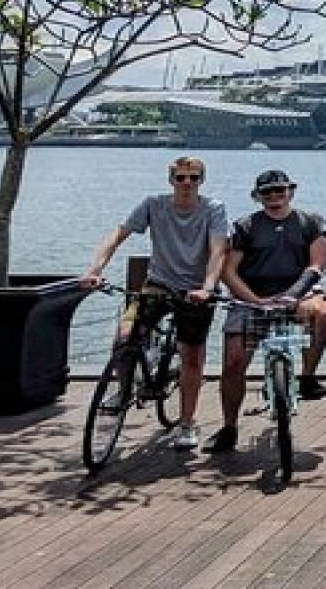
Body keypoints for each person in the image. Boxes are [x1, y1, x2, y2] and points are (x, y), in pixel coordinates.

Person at [82, 155, 229, 451]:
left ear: (202, 181)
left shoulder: (213, 209)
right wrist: (95, 270)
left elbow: (218, 251)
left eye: (194, 178)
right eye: (180, 177)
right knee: (124, 337)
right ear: (171, 180)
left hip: (195, 290)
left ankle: (187, 423)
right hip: (158, 284)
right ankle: (123, 390)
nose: (186, 183)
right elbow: (117, 235)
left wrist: (208, 287)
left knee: (191, 355)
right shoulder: (153, 205)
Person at [212, 169, 326, 454]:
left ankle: (308, 377)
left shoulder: (311, 223)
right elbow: (228, 272)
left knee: (322, 312)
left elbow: (316, 265)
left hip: (298, 293)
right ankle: (229, 427)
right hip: (253, 297)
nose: (275, 197)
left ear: (291, 191)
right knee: (233, 362)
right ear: (258, 197)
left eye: (280, 190)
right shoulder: (245, 226)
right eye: (268, 193)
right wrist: (256, 300)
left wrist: (293, 295)